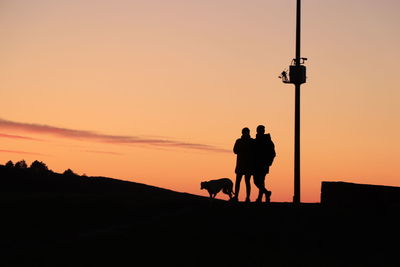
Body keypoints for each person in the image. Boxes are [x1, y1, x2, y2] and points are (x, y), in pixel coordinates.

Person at [253, 125, 276, 203]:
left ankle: (260, 197)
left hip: (263, 164)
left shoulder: (268, 141)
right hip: (256, 164)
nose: (259, 131)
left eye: (261, 130)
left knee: (261, 181)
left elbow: (273, 153)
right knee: (257, 181)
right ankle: (266, 193)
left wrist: (269, 162)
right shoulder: (256, 140)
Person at [233, 127, 254, 202]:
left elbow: (235, 150)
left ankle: (247, 197)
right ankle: (237, 197)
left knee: (246, 181)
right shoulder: (240, 141)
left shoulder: (251, 141)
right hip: (242, 164)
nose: (246, 133)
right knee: (239, 181)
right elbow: (235, 150)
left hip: (247, 165)